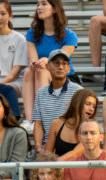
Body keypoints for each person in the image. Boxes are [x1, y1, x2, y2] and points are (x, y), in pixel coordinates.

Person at [22, 0, 77, 130]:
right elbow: (33, 59)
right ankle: (30, 120)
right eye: (38, 5)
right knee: (29, 72)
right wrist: (35, 63)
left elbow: (61, 59)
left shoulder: (69, 35)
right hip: (41, 73)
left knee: (41, 71)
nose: (39, 7)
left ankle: (40, 118)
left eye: (44, 4)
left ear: (54, 9)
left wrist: (46, 60)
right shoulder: (32, 33)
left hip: (64, 76)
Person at [44, 88, 98, 159]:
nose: (91, 109)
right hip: (58, 168)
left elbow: (75, 154)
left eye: (94, 106)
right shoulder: (57, 124)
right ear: (76, 104)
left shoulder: (92, 128)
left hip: (80, 169)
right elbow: (47, 154)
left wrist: (55, 164)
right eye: (88, 104)